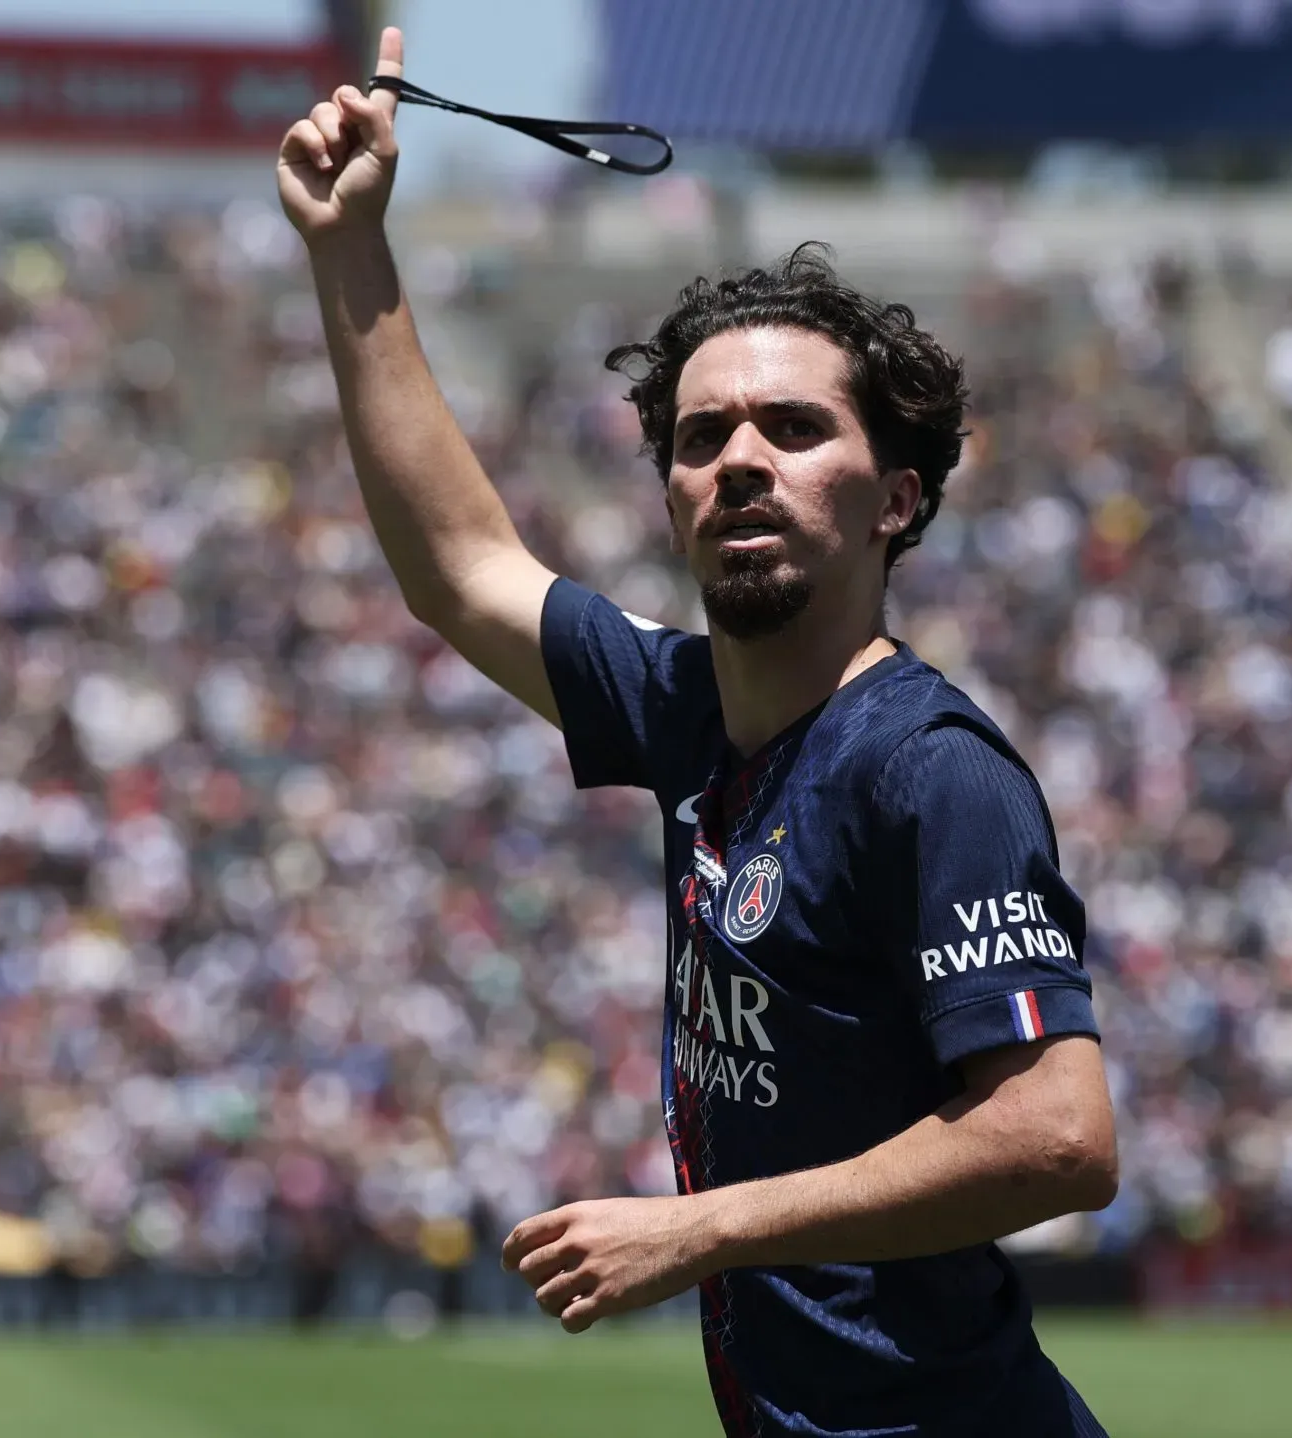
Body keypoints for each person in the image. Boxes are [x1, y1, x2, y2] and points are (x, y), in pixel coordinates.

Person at [277, 30, 1119, 1438]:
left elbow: (1059, 1137)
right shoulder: (685, 709)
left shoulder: (931, 770)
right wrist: (349, 245)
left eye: (793, 428)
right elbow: (462, 568)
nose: (738, 457)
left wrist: (703, 1228)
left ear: (895, 499)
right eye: (701, 434)